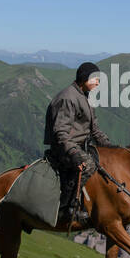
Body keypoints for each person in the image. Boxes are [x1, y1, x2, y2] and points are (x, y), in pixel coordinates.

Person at [44, 62, 115, 223]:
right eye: (95, 79)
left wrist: (111, 148)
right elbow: (60, 133)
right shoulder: (67, 98)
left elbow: (94, 129)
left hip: (80, 145)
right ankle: (66, 208)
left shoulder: (84, 96)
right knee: (88, 164)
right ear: (84, 78)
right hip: (64, 148)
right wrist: (74, 154)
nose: (98, 82)